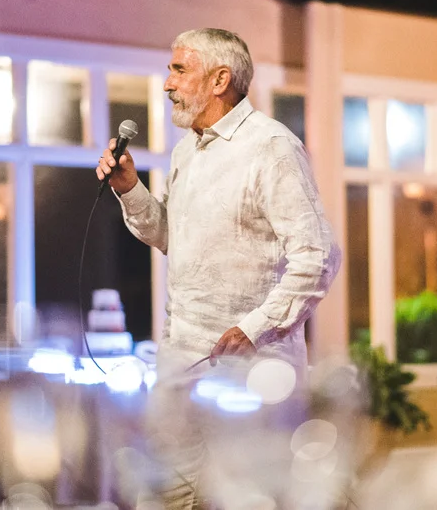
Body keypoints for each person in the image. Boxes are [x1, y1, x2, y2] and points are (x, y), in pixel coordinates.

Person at [96, 28, 341, 508]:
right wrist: (130, 189)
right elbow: (173, 237)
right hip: (180, 364)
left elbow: (318, 256)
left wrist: (254, 328)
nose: (168, 83)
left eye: (179, 70)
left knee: (248, 497)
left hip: (252, 372)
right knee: (159, 496)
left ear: (219, 80)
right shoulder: (186, 151)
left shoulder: (272, 146)